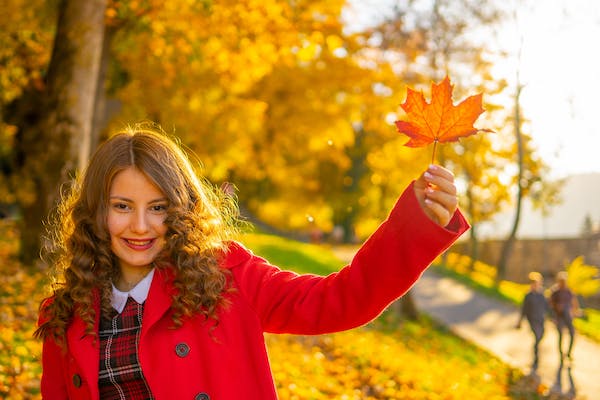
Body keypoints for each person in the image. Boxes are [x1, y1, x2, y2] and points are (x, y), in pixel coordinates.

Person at [35, 123, 469, 399]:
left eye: (159, 207)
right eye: (123, 206)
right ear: (97, 211)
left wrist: (416, 226)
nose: (141, 226)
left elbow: (339, 300)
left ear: (181, 209)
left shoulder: (226, 279)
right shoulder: (65, 314)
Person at [516, 271, 549, 373]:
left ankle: (536, 351)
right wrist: (519, 322)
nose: (536, 285)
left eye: (537, 283)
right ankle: (536, 359)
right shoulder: (528, 295)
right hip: (532, 320)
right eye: (534, 284)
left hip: (541, 319)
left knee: (541, 336)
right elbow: (524, 310)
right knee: (537, 336)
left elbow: (547, 307)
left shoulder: (542, 295)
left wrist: (552, 317)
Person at [549, 271, 580, 364]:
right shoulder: (555, 292)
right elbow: (550, 304)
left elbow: (574, 302)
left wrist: (574, 312)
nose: (563, 283)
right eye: (561, 281)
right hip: (559, 317)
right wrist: (554, 313)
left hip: (568, 316)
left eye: (564, 281)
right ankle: (561, 354)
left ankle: (569, 353)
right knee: (561, 336)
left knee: (572, 334)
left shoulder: (568, 291)